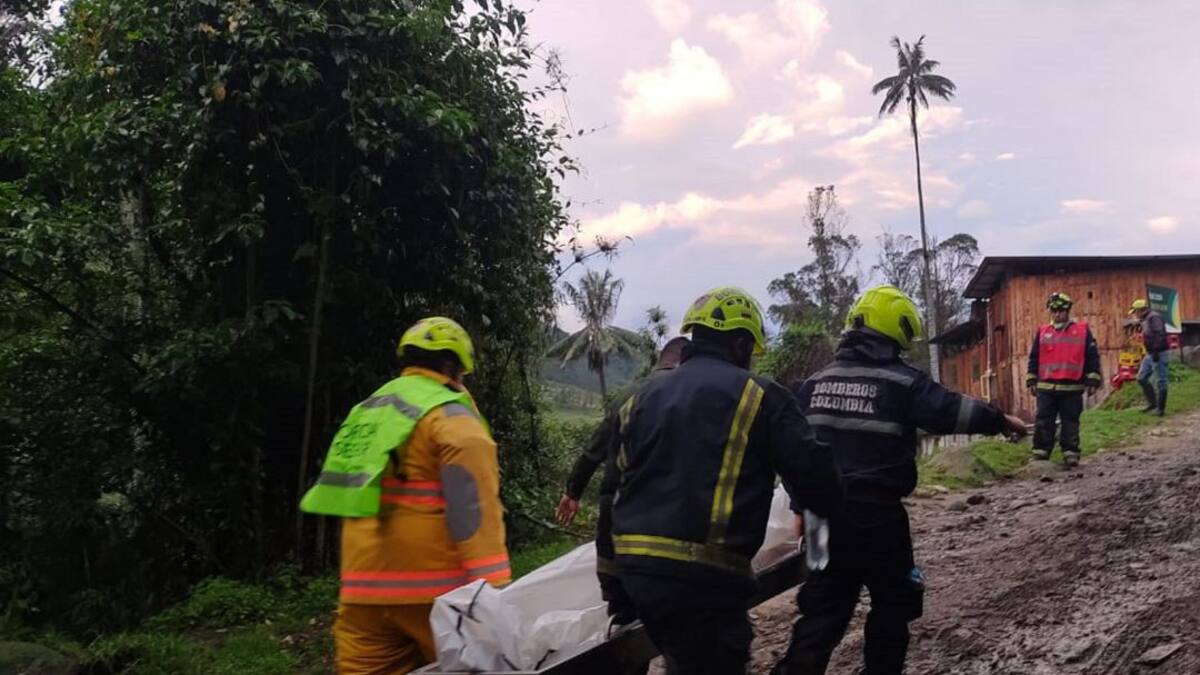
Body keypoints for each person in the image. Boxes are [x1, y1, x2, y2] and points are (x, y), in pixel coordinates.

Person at [773, 285, 1027, 675]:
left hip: (821, 521)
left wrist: (799, 507)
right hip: (878, 520)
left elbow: (797, 454)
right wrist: (1000, 420)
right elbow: (951, 411)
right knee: (893, 604)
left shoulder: (814, 385)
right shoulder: (902, 382)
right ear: (896, 329)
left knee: (820, 612)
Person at [612, 287, 844, 675]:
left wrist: (615, 592)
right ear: (740, 344)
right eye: (750, 348)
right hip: (701, 577)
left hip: (638, 572)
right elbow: (815, 474)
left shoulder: (641, 397)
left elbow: (613, 491)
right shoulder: (760, 396)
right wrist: (819, 515)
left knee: (686, 658)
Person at [300, 317, 510, 675]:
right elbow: (473, 509)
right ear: (450, 367)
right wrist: (495, 588)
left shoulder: (367, 411)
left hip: (361, 591)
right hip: (434, 594)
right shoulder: (451, 414)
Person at [554, 336, 689, 628]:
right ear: (684, 362)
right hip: (660, 530)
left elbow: (593, 450)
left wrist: (572, 492)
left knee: (623, 616)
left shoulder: (626, 395)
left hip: (613, 525)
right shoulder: (688, 395)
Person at [1025, 292, 1102, 467]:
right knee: (1044, 420)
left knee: (1070, 421)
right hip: (1046, 386)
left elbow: (1092, 356)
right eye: (1054, 310)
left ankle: (1070, 452)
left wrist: (1093, 380)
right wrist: (1031, 380)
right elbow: (1034, 357)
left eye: (1061, 310)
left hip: (1072, 387)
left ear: (1068, 311)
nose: (1058, 314)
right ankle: (1041, 452)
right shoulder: (1043, 332)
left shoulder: (1082, 331)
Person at [1130, 298, 1170, 416]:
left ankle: (1160, 409)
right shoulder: (1145, 319)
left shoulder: (1154, 317)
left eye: (1135, 312)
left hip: (1159, 352)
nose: (1135, 315)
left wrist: (1156, 351)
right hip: (1150, 353)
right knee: (1141, 378)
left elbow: (1160, 333)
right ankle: (1152, 403)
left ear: (1141, 310)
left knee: (1161, 380)